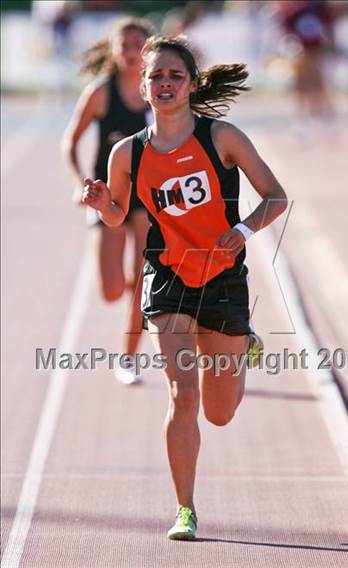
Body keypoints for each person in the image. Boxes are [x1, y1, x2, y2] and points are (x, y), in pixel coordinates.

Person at [82, 35, 288, 539]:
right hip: (168, 278)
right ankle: (185, 509)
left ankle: (245, 346)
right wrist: (101, 205)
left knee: (219, 413)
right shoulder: (127, 151)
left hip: (222, 281)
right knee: (183, 395)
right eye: (156, 77)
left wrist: (239, 233)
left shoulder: (222, 138)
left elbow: (276, 197)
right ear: (144, 86)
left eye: (175, 76)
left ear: (192, 85)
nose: (165, 84)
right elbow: (118, 216)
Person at [62, 17, 154, 384]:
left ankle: (128, 359)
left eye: (140, 45)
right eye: (126, 45)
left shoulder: (158, 93)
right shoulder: (101, 93)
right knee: (113, 290)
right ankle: (138, 284)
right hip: (107, 197)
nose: (133, 52)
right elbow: (71, 140)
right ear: (114, 51)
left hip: (147, 200)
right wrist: (77, 182)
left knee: (145, 282)